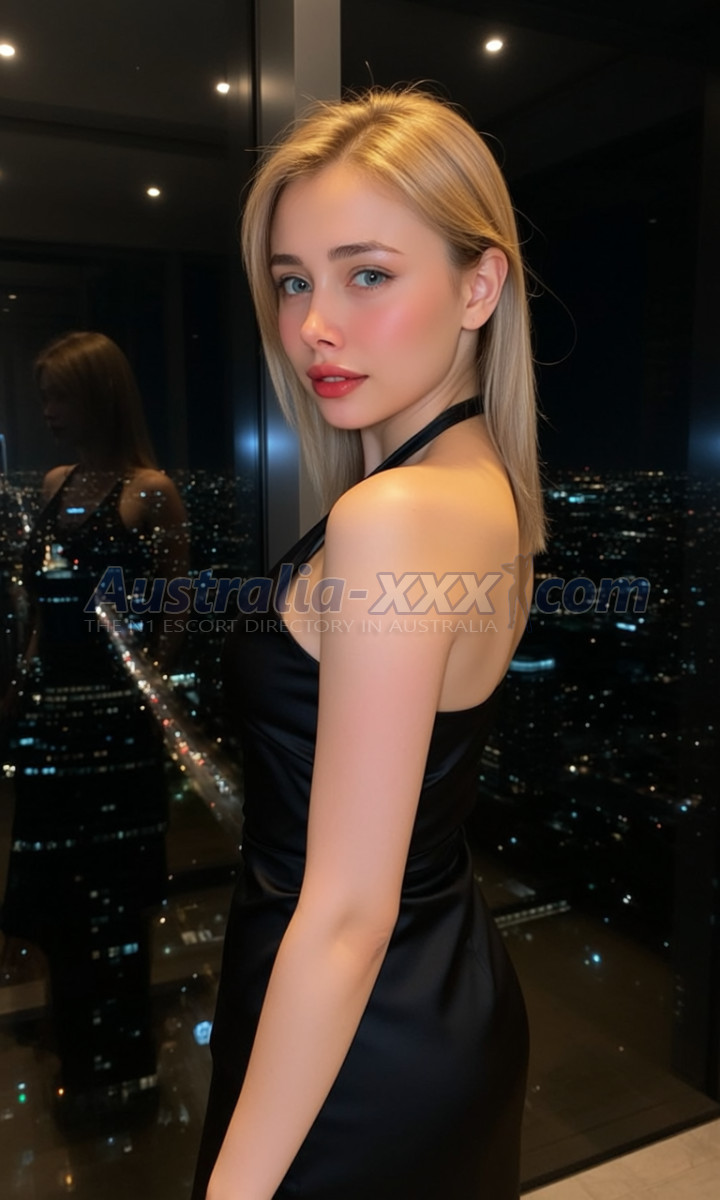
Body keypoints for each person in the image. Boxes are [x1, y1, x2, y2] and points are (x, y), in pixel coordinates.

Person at [193, 88, 545, 1200]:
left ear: (478, 286)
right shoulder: (481, 488)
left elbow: (347, 914)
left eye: (368, 275)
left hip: (355, 1043)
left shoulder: (394, 516)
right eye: (294, 280)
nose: (313, 326)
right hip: (430, 998)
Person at [1, 330, 187, 1123]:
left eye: (60, 396)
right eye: (44, 396)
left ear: (99, 398)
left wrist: (140, 697)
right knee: (59, 895)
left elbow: (173, 610)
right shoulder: (56, 485)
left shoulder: (151, 492)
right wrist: (24, 688)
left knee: (112, 894)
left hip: (114, 723)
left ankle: (119, 1057)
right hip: (53, 719)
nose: (47, 411)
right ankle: (76, 1042)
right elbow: (42, 611)